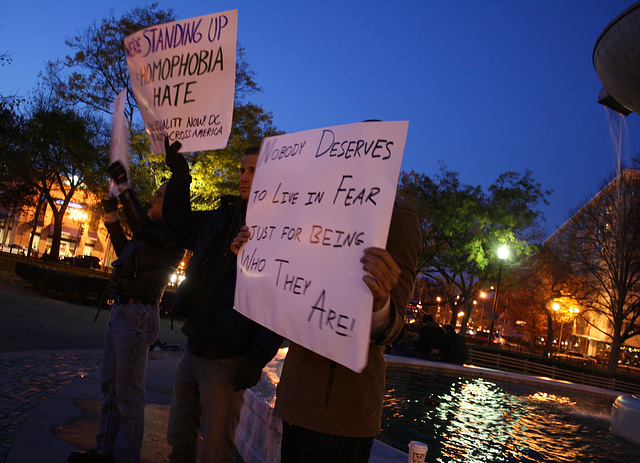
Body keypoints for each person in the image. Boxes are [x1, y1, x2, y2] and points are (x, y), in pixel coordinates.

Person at [273, 196, 422, 463]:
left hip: (340, 414)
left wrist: (379, 303)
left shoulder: (397, 216)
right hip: (295, 398)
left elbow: (393, 325)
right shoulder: (314, 204)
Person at [162, 139, 283, 463]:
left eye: (253, 171)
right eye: (241, 169)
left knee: (215, 453)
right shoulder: (221, 217)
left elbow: (278, 304)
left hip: (227, 365)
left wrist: (255, 359)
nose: (243, 176)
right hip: (193, 351)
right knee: (178, 441)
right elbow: (179, 227)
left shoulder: (279, 234)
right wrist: (180, 176)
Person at [68, 162, 185, 463]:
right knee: (112, 387)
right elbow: (125, 253)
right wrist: (112, 216)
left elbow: (141, 228)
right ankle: (105, 451)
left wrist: (124, 186)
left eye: (158, 195)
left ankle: (124, 457)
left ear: (171, 203)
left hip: (137, 316)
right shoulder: (151, 233)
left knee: (128, 394)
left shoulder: (171, 235)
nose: (152, 198)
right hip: (123, 313)